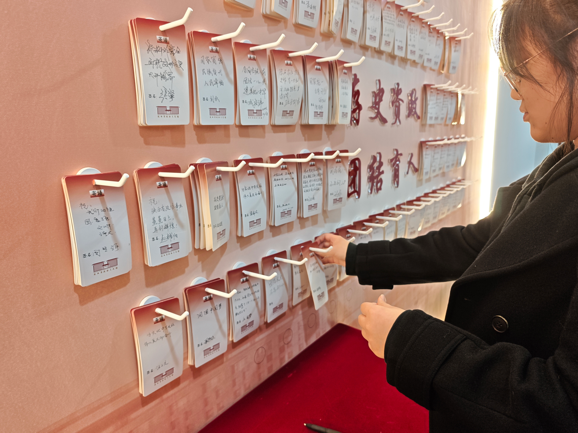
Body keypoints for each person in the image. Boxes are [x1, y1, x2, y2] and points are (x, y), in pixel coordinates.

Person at [314, 1, 578, 431]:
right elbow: (477, 243)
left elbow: (561, 403)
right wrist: (356, 257)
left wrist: (410, 341)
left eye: (522, 68)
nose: (514, 91)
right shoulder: (563, 159)